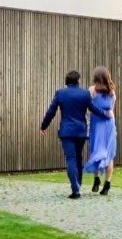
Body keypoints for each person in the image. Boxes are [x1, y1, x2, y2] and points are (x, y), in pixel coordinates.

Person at [40, 70, 111, 199]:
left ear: (67, 81)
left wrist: (44, 126)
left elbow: (51, 111)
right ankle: (78, 184)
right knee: (78, 158)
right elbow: (93, 109)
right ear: (78, 80)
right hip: (81, 132)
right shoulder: (85, 93)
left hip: (67, 132)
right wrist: (106, 115)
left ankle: (75, 189)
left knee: (71, 159)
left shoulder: (60, 93)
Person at [83, 66, 117, 195]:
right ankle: (107, 183)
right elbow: (111, 111)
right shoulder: (112, 92)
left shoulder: (92, 90)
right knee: (108, 155)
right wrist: (114, 128)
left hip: (97, 124)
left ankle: (96, 179)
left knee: (95, 151)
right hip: (109, 124)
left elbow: (88, 107)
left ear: (96, 77)